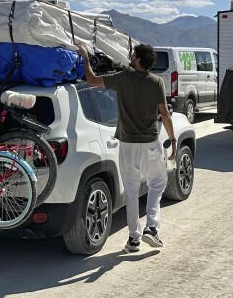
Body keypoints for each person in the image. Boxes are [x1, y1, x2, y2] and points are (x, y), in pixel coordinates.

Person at [76, 42, 177, 253]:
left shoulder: (122, 79)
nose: (130, 57)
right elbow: (165, 114)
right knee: (158, 183)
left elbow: (92, 79)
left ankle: (134, 239)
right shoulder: (157, 82)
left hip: (127, 145)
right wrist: (173, 139)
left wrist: (85, 57)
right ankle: (152, 227)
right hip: (149, 144)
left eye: (133, 55)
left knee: (130, 191)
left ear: (138, 60)